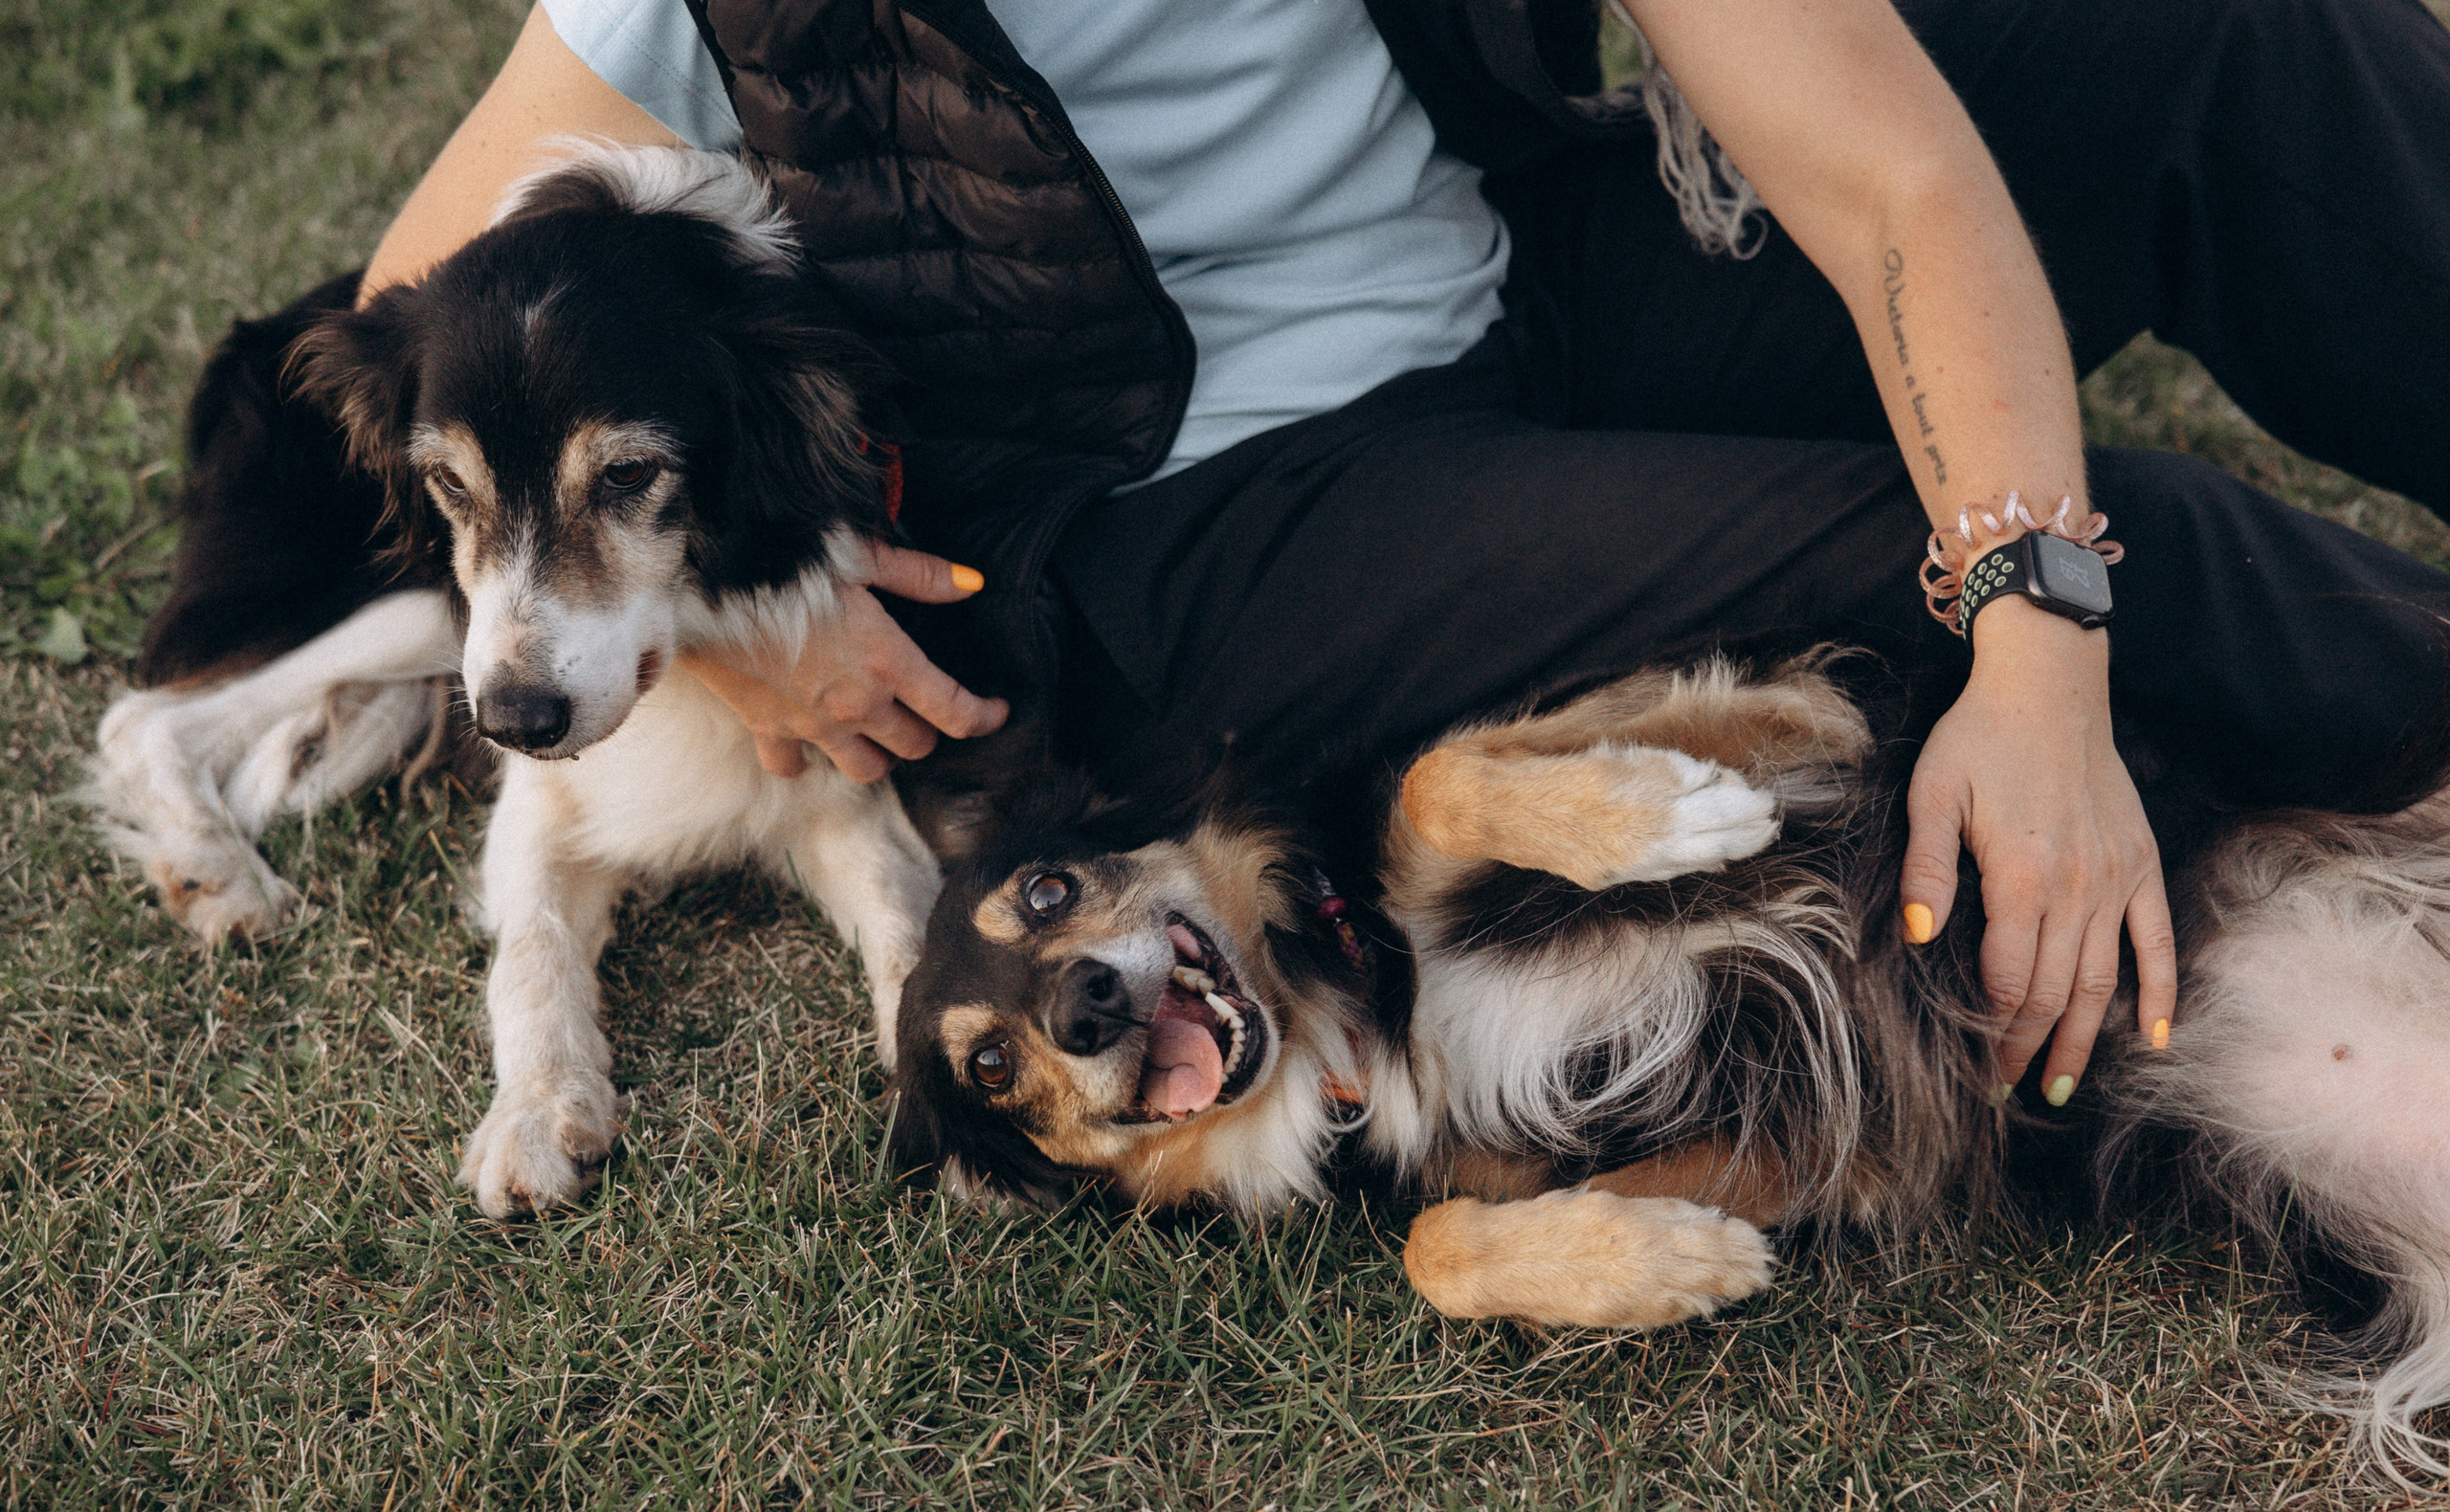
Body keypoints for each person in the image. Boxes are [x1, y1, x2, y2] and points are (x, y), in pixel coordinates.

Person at [346, 0, 2450, 1106]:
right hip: (1178, 530)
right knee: (2042, 542)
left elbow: (1889, 177)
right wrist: (733, 644)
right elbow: (425, 287)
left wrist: (2040, 643)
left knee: (2211, 32)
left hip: (1507, 287)